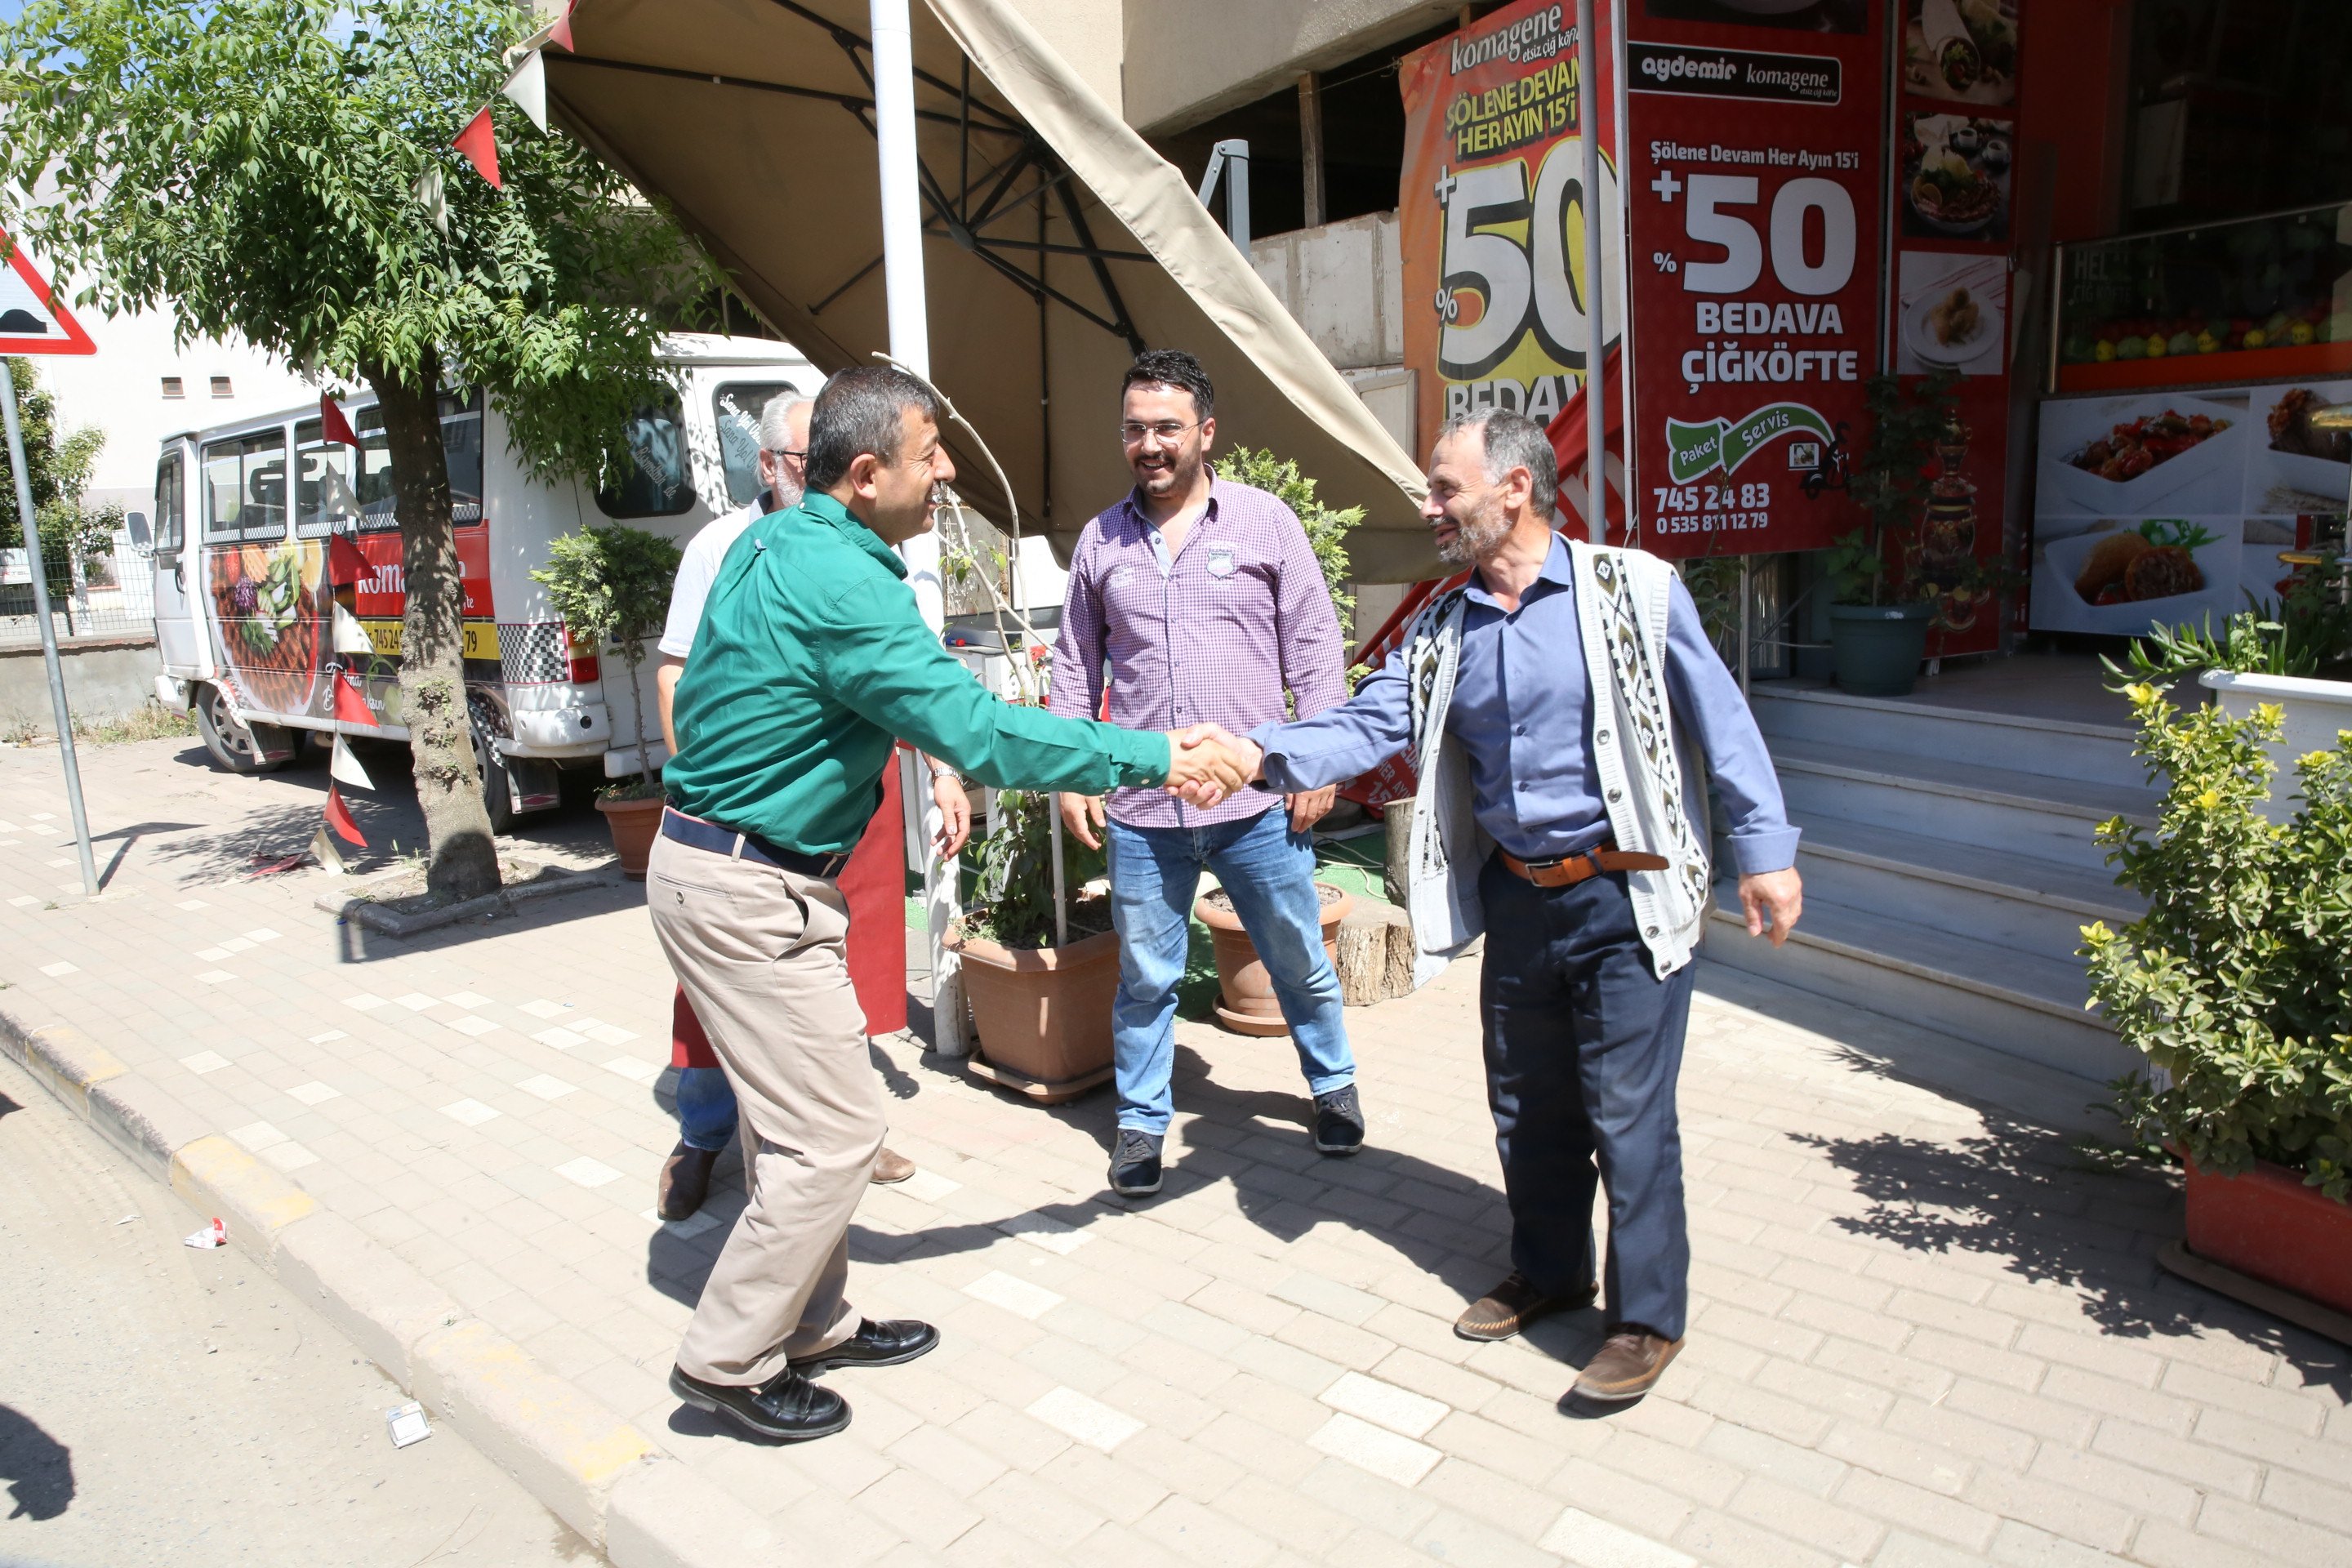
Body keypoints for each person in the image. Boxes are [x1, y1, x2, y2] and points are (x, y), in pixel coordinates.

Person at [653, 365, 1253, 1442]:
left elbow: (741, 696)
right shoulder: (842, 579)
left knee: (811, 1123)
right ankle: (728, 1357)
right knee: (832, 1136)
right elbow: (981, 733)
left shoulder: (779, 543)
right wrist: (1155, 752)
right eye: (932, 454)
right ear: (869, 470)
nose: (950, 474)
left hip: (738, 873)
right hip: (746, 888)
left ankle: (816, 1322)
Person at [1180, 408, 1803, 1405]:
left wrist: (1765, 850)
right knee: (1528, 1105)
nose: (1428, 507)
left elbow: (1719, 717)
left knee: (1628, 1115)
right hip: (1518, 901)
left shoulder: (1632, 592)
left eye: (1444, 489)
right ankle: (1552, 1269)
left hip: (1626, 892)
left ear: (1515, 487)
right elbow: (1369, 722)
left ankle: (1645, 1320)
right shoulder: (1443, 627)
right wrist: (1256, 755)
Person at [1049, 349, 1360, 1199]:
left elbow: (1314, 646)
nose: (1149, 445)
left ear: (1206, 432)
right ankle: (1143, 1126)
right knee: (1146, 973)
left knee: (1295, 951)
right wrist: (1074, 772)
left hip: (1254, 800)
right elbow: (1075, 664)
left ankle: (1332, 1085)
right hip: (1147, 810)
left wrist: (1317, 757)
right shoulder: (1101, 541)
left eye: (1166, 429)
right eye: (1135, 429)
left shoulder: (1264, 524)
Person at [647, 393, 961, 1218]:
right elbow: (678, 675)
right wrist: (717, 795)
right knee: (733, 1027)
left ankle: (829, 1156)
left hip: (827, 808)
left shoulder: (882, 545)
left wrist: (944, 771)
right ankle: (705, 1140)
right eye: (796, 462)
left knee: (833, 993)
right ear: (780, 466)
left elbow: (917, 684)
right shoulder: (734, 543)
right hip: (745, 837)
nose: (804, 476)